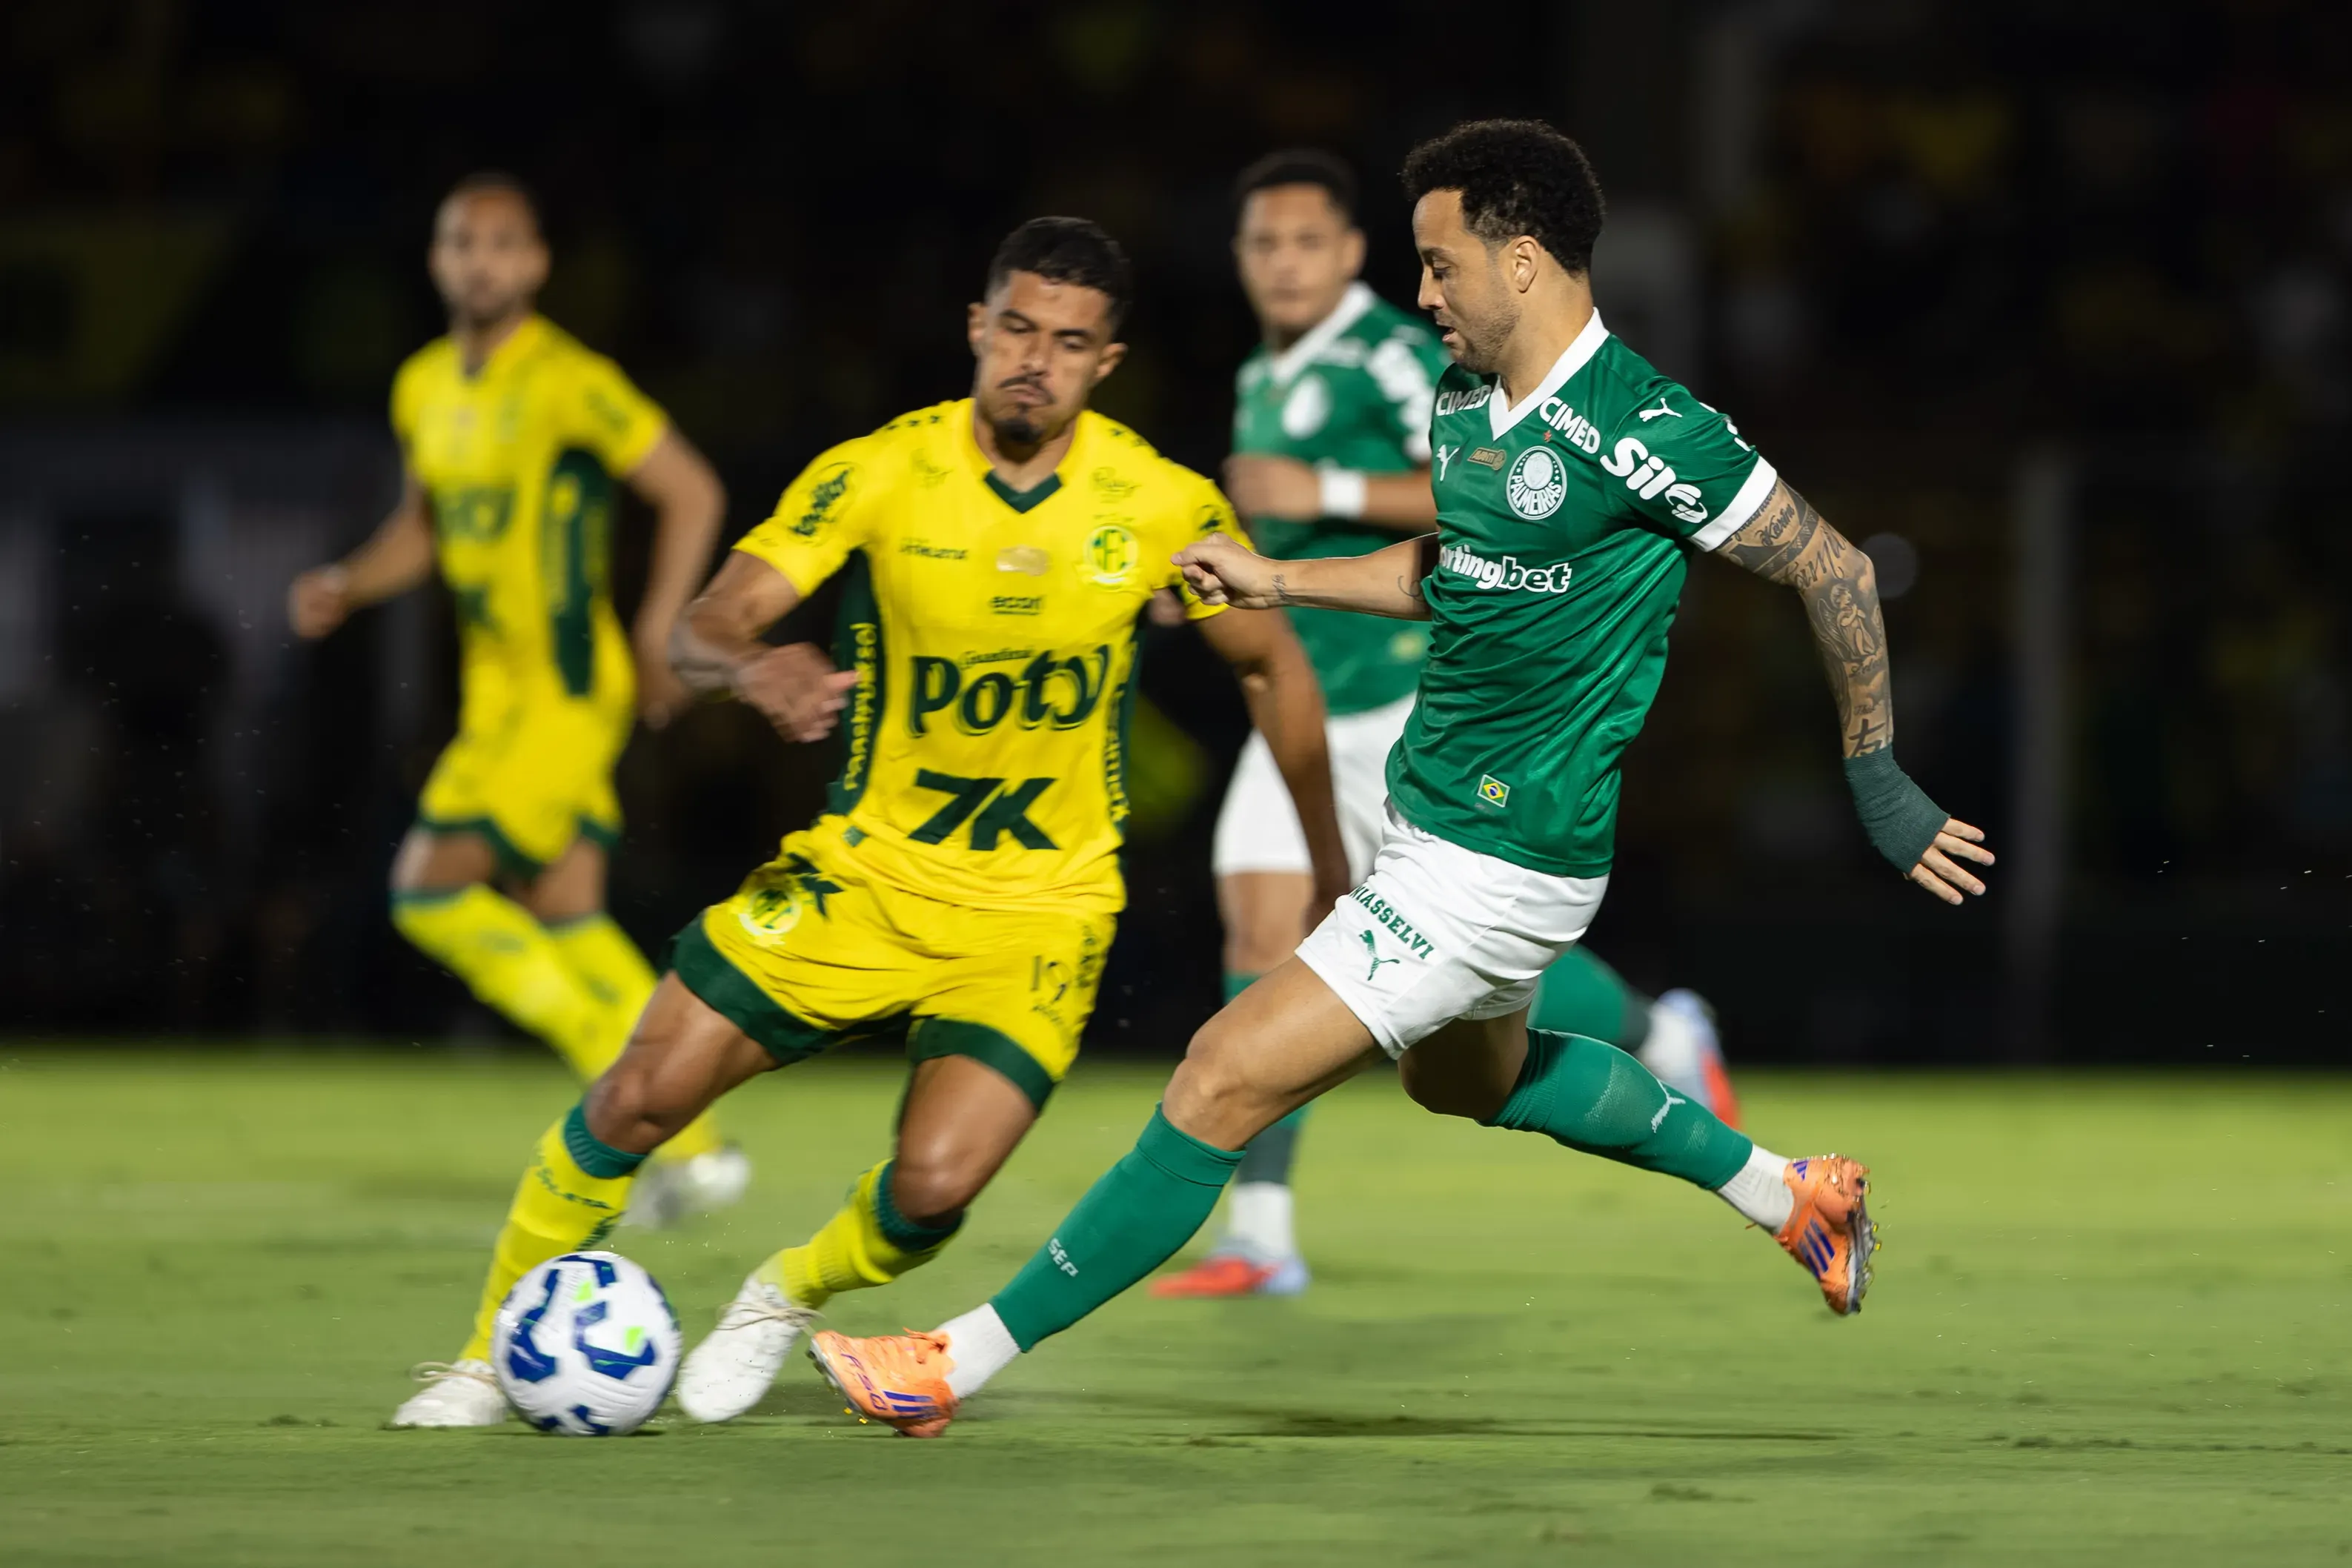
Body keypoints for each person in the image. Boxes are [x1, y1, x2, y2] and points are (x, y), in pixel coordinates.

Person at [806, 119, 1996, 1438]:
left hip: (1502, 860)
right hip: (1437, 830)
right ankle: (1790, 1195)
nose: (1420, 293)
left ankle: (947, 1363)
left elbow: (1832, 568)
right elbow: (1451, 569)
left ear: (1522, 259)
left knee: (1215, 1077)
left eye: (1439, 265)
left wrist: (1878, 781)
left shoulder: (1647, 427)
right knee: (1466, 1084)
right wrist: (1275, 577)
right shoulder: (1464, 399)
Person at [386, 216, 1349, 1429]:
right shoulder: (881, 472)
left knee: (933, 1189)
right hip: (860, 878)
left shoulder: (1158, 503)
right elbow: (703, 625)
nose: (1034, 360)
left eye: (1068, 343)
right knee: (637, 1097)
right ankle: (485, 1360)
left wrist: (1328, 861)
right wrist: (754, 668)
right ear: (976, 327)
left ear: (1106, 363)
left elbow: (1272, 667)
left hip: (1037, 912)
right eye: (1015, 329)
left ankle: (782, 1294)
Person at [1157, 149, 1739, 1300]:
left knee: (1460, 968)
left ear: (1348, 255)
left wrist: (1315, 497)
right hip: (1300, 694)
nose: (1283, 264)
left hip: (1396, 701)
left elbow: (1482, 495)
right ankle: (1260, 1233)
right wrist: (1240, 573)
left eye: (1306, 243)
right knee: (1260, 925)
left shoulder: (1393, 352)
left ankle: (1657, 1030)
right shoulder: (1267, 369)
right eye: (1262, 245)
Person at [287, 173, 745, 1229]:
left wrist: (657, 626)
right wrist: (350, 582)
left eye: (502, 244)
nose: (481, 262)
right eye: (462, 243)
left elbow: (692, 489)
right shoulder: (421, 387)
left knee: (427, 891)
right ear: (437, 260)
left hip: (565, 693)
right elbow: (425, 529)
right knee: (568, 917)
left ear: (536, 263)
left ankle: (631, 1100)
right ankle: (699, 1148)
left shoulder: (569, 380)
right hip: (497, 698)